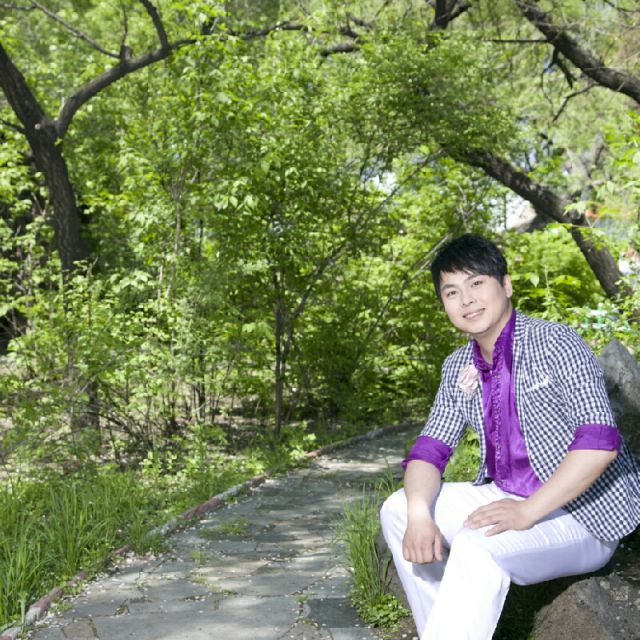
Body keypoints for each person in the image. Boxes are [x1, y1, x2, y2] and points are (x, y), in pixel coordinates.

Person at [380, 234, 640, 639]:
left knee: (476, 544)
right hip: (509, 495)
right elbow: (428, 452)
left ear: (506, 285)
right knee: (399, 509)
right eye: (452, 291)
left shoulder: (556, 343)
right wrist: (419, 516)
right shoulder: (457, 366)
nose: (466, 300)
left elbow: (599, 443)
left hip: (583, 513)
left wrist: (528, 512)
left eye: (476, 283)